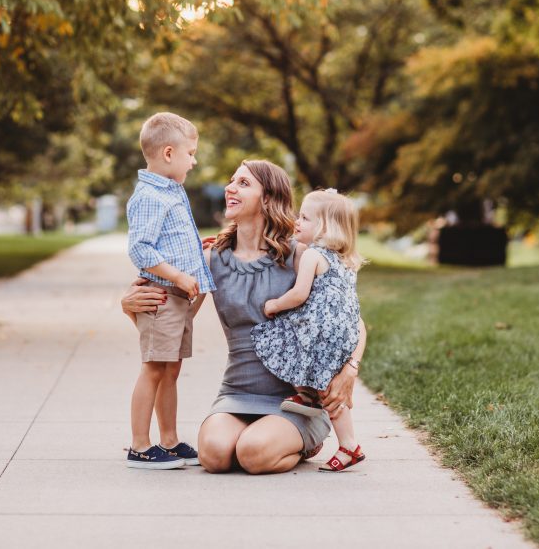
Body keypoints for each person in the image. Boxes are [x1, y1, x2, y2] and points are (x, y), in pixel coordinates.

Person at [121, 159, 366, 474]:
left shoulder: (300, 257)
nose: (230, 188)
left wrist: (350, 369)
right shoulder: (211, 258)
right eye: (231, 180)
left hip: (293, 400)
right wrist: (132, 308)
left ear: (268, 198)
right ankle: (269, 440)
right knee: (214, 456)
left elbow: (351, 320)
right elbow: (178, 322)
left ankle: (304, 439)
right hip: (237, 393)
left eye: (243, 183)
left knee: (252, 454)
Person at [123, 112, 215, 469]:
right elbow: (141, 250)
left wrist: (194, 250)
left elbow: (167, 240)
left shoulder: (170, 190)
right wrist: (178, 276)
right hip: (163, 297)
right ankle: (140, 446)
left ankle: (170, 440)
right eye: (190, 153)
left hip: (176, 299)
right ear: (168, 153)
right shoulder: (149, 195)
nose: (194, 161)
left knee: (171, 370)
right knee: (154, 369)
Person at [254, 189, 366, 472]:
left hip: (320, 335)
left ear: (324, 228)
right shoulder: (346, 261)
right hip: (343, 334)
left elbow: (299, 294)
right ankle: (308, 397)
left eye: (304, 217)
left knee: (281, 341)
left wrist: (275, 305)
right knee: (322, 378)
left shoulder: (313, 255)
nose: (296, 221)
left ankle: (349, 445)